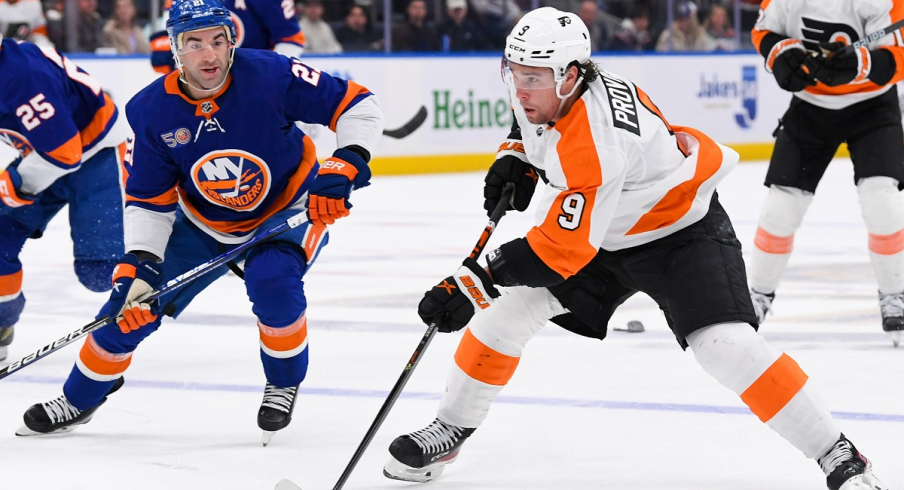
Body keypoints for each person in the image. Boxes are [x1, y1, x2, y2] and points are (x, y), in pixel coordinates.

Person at [382, 7, 888, 490]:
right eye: (513, 71)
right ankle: (451, 429)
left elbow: (560, 249)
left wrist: (472, 284)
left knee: (726, 347)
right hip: (603, 230)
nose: (519, 85)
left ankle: (837, 452)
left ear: (570, 74)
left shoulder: (596, 138)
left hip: (677, 234)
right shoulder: (551, 85)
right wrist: (515, 154)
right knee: (502, 318)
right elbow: (527, 124)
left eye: (532, 76)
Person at [16, 0, 384, 446]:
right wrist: (142, 263)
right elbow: (149, 200)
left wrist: (346, 162)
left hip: (287, 207)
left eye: (218, 41)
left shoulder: (272, 74)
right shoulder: (152, 111)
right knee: (126, 310)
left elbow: (358, 105)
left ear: (233, 41)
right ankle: (80, 399)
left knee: (274, 283)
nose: (209, 56)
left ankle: (283, 381)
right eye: (194, 44)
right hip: (200, 221)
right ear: (174, 49)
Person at [748, 0, 904, 346]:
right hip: (812, 107)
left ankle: (897, 296)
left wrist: (861, 64)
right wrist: (782, 52)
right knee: (781, 207)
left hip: (873, 106)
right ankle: (756, 298)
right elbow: (763, 31)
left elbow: (898, 59)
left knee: (882, 201)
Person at [0, 36, 130, 362]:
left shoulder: (20, 74)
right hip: (42, 156)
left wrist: (12, 182)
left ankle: (189, 227)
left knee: (101, 274)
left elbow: (63, 153)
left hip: (96, 156)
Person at [149, 0, 306, 74]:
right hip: (202, 88)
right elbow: (166, 55)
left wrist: (267, 77)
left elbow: (291, 39)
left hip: (254, 87)